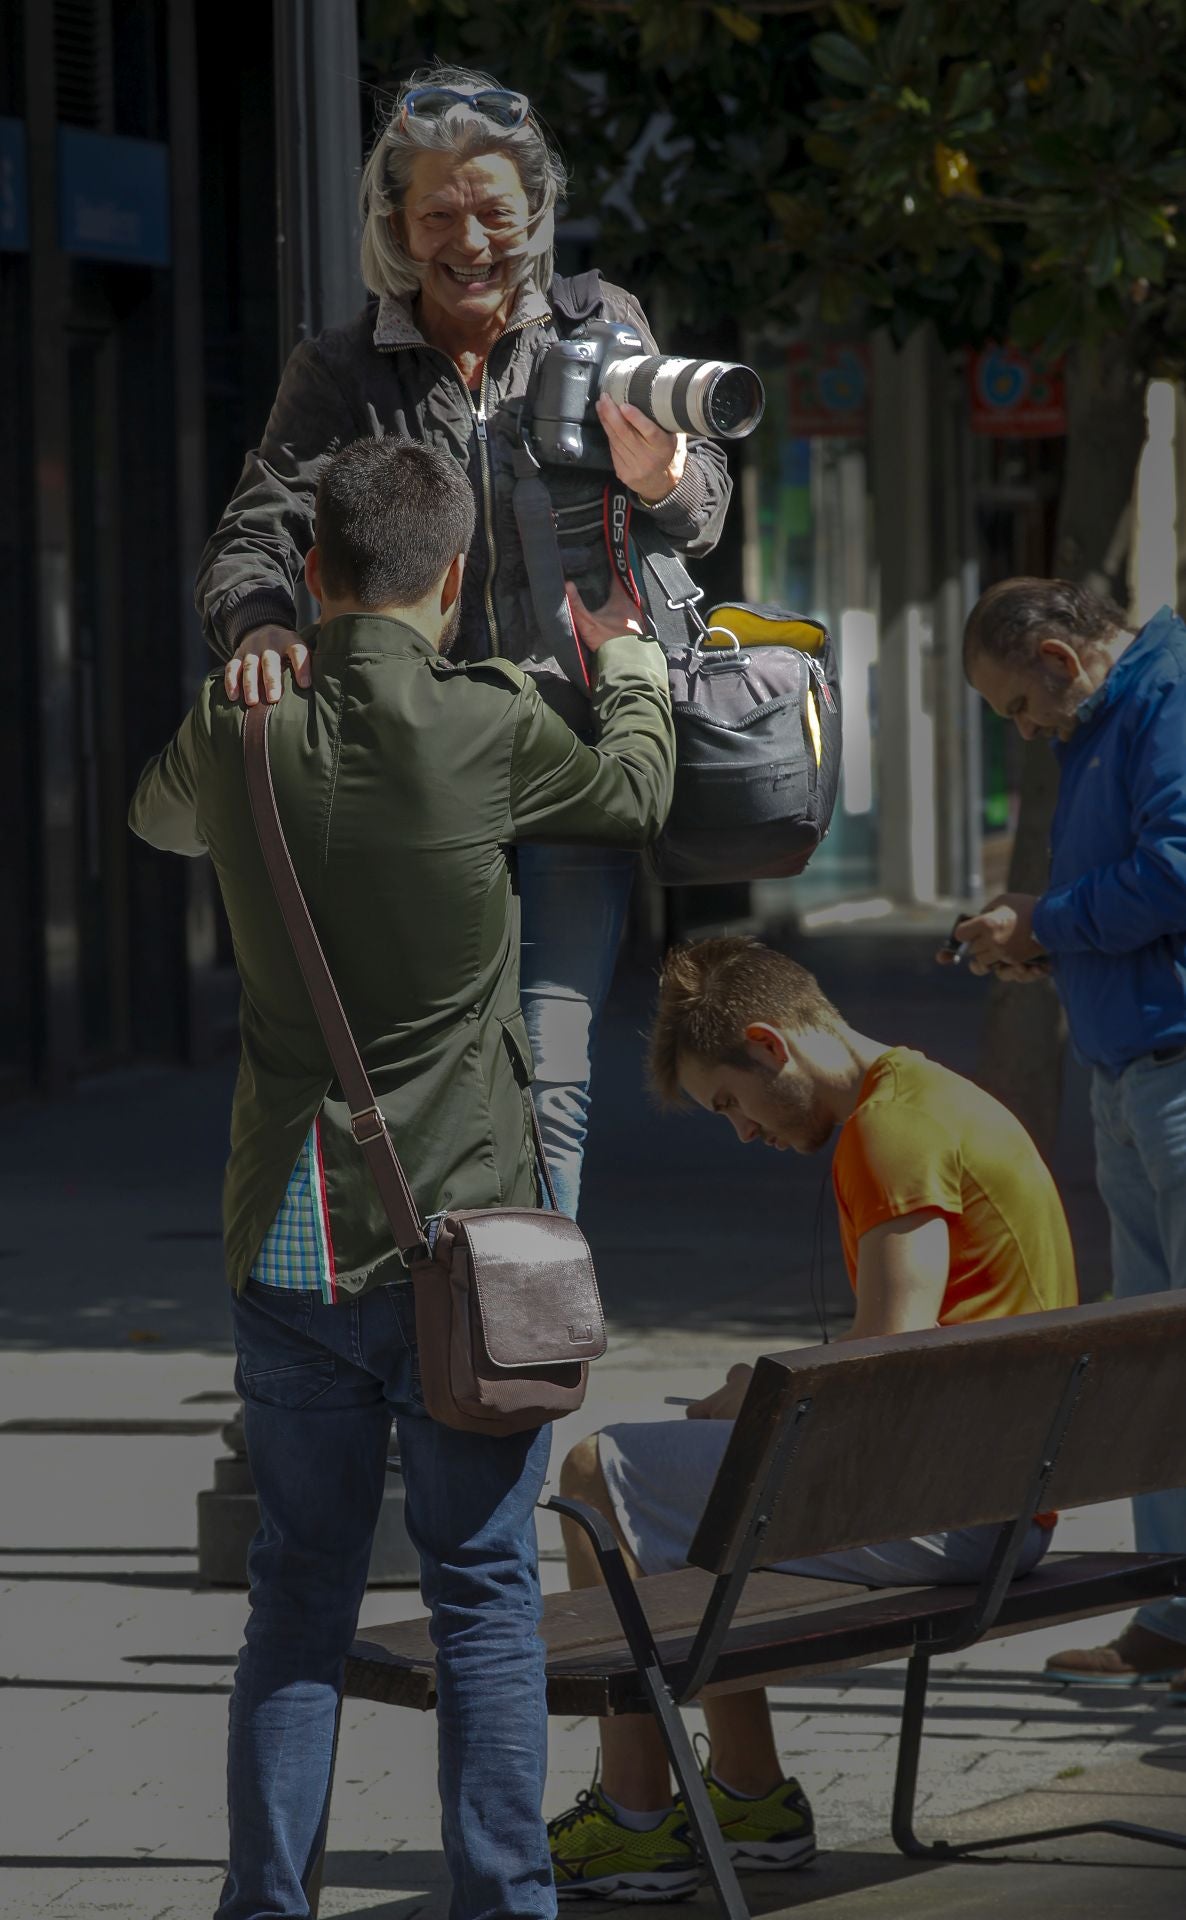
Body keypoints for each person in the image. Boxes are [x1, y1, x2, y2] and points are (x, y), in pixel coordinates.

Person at [130, 436, 675, 1920]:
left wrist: (249, 669)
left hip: (290, 1237)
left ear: (310, 573)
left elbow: (155, 820)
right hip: (463, 1250)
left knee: (297, 1597)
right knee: (483, 1591)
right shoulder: (487, 720)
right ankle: (503, 1900)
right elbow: (633, 796)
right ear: (454, 580)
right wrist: (627, 665)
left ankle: (266, 1903)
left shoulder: (242, 721)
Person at [195, 61, 731, 1221]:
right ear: (396, 224)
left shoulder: (601, 324)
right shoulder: (341, 371)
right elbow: (255, 528)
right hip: (420, 766)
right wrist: (259, 623)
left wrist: (666, 478)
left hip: (572, 754)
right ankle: (440, 1307)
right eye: (437, 213)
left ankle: (528, 1322)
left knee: (552, 1071)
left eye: (494, 210)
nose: (470, 241)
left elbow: (703, 510)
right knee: (429, 1069)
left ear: (536, 211)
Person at [547, 935, 1077, 1901]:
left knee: (595, 1473)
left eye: (730, 1102)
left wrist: (761, 1389)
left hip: (957, 1511)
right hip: (1007, 1490)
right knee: (714, 1481)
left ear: (769, 1043)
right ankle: (750, 1800)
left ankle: (635, 1819)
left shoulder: (891, 1132)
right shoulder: (936, 1096)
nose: (742, 1132)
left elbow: (886, 1360)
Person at [955, 576, 1186, 1691]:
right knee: (1154, 1365)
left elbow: (1178, 868)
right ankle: (1173, 1614)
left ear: (1058, 658)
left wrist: (1046, 920)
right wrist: (1048, 945)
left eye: (1016, 706)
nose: (1024, 730)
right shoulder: (1108, 715)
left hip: (1174, 1069)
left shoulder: (1164, 694)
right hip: (1131, 1072)